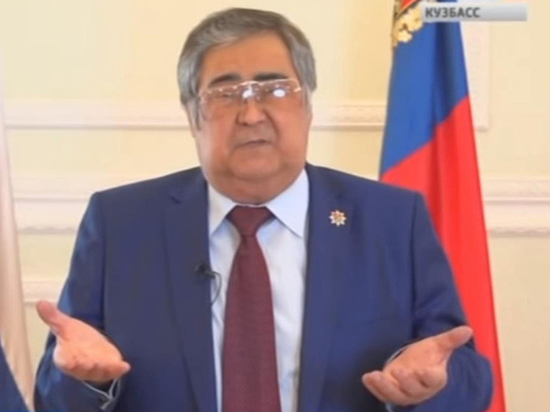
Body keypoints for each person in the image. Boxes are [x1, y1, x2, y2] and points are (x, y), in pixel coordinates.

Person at [34, 7, 493, 412]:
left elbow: (469, 379)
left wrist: (430, 384)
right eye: (225, 92)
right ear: (192, 116)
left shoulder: (392, 220)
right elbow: (54, 396)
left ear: (307, 106)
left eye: (275, 89)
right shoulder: (120, 224)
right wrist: (88, 381)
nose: (252, 114)